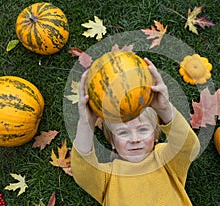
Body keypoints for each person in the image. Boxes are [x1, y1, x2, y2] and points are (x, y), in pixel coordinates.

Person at [71, 58, 200, 206]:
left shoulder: (165, 160)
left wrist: (164, 109)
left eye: (143, 130)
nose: (134, 139)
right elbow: (83, 171)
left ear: (156, 135)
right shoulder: (108, 177)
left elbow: (189, 147)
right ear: (112, 141)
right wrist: (86, 124)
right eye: (123, 133)